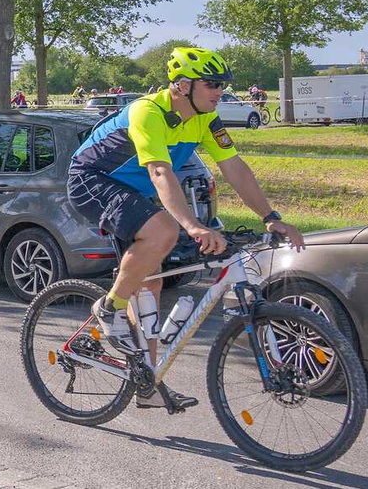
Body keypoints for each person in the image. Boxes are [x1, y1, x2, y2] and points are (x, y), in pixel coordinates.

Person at [67, 47, 304, 410]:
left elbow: (235, 167)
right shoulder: (148, 111)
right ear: (181, 85)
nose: (219, 92)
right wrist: (193, 226)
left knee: (150, 283)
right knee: (163, 231)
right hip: (91, 179)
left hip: (134, 191)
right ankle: (109, 307)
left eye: (222, 85)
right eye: (211, 84)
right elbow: (160, 172)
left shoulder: (206, 119)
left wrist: (270, 216)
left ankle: (146, 382)